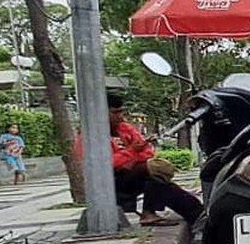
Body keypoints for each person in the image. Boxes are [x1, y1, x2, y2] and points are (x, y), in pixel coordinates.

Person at [77, 93, 204, 227]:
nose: (120, 116)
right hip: (107, 183)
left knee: (160, 180)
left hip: (133, 173)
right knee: (153, 170)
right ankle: (152, 213)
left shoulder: (125, 128)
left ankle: (197, 214)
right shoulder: (89, 137)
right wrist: (131, 152)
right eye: (115, 113)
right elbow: (103, 165)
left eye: (121, 112)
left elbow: (147, 151)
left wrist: (130, 159)